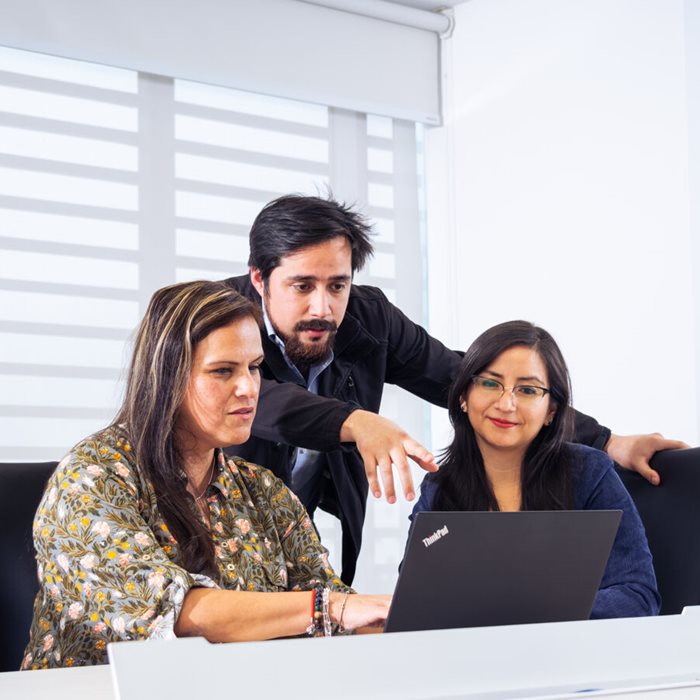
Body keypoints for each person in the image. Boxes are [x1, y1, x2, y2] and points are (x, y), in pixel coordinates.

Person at [224, 194, 686, 584]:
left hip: (293, 536)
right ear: (260, 278)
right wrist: (355, 421)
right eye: (301, 286)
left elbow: (460, 375)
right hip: (214, 529)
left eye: (337, 286)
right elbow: (245, 399)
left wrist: (606, 440)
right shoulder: (211, 318)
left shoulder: (368, 317)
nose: (322, 307)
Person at [22, 281, 390, 670]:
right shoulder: (92, 479)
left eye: (254, 368)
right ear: (166, 378)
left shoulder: (264, 491)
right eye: (222, 371)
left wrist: (413, 622)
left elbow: (343, 617)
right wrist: (329, 609)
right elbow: (178, 614)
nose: (248, 388)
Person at [409, 320, 660, 618]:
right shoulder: (438, 488)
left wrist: (536, 611)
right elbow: (416, 604)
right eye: (490, 383)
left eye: (527, 390)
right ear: (463, 396)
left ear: (551, 411)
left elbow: (637, 596)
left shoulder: (590, 473)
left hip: (570, 656)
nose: (506, 404)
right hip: (472, 660)